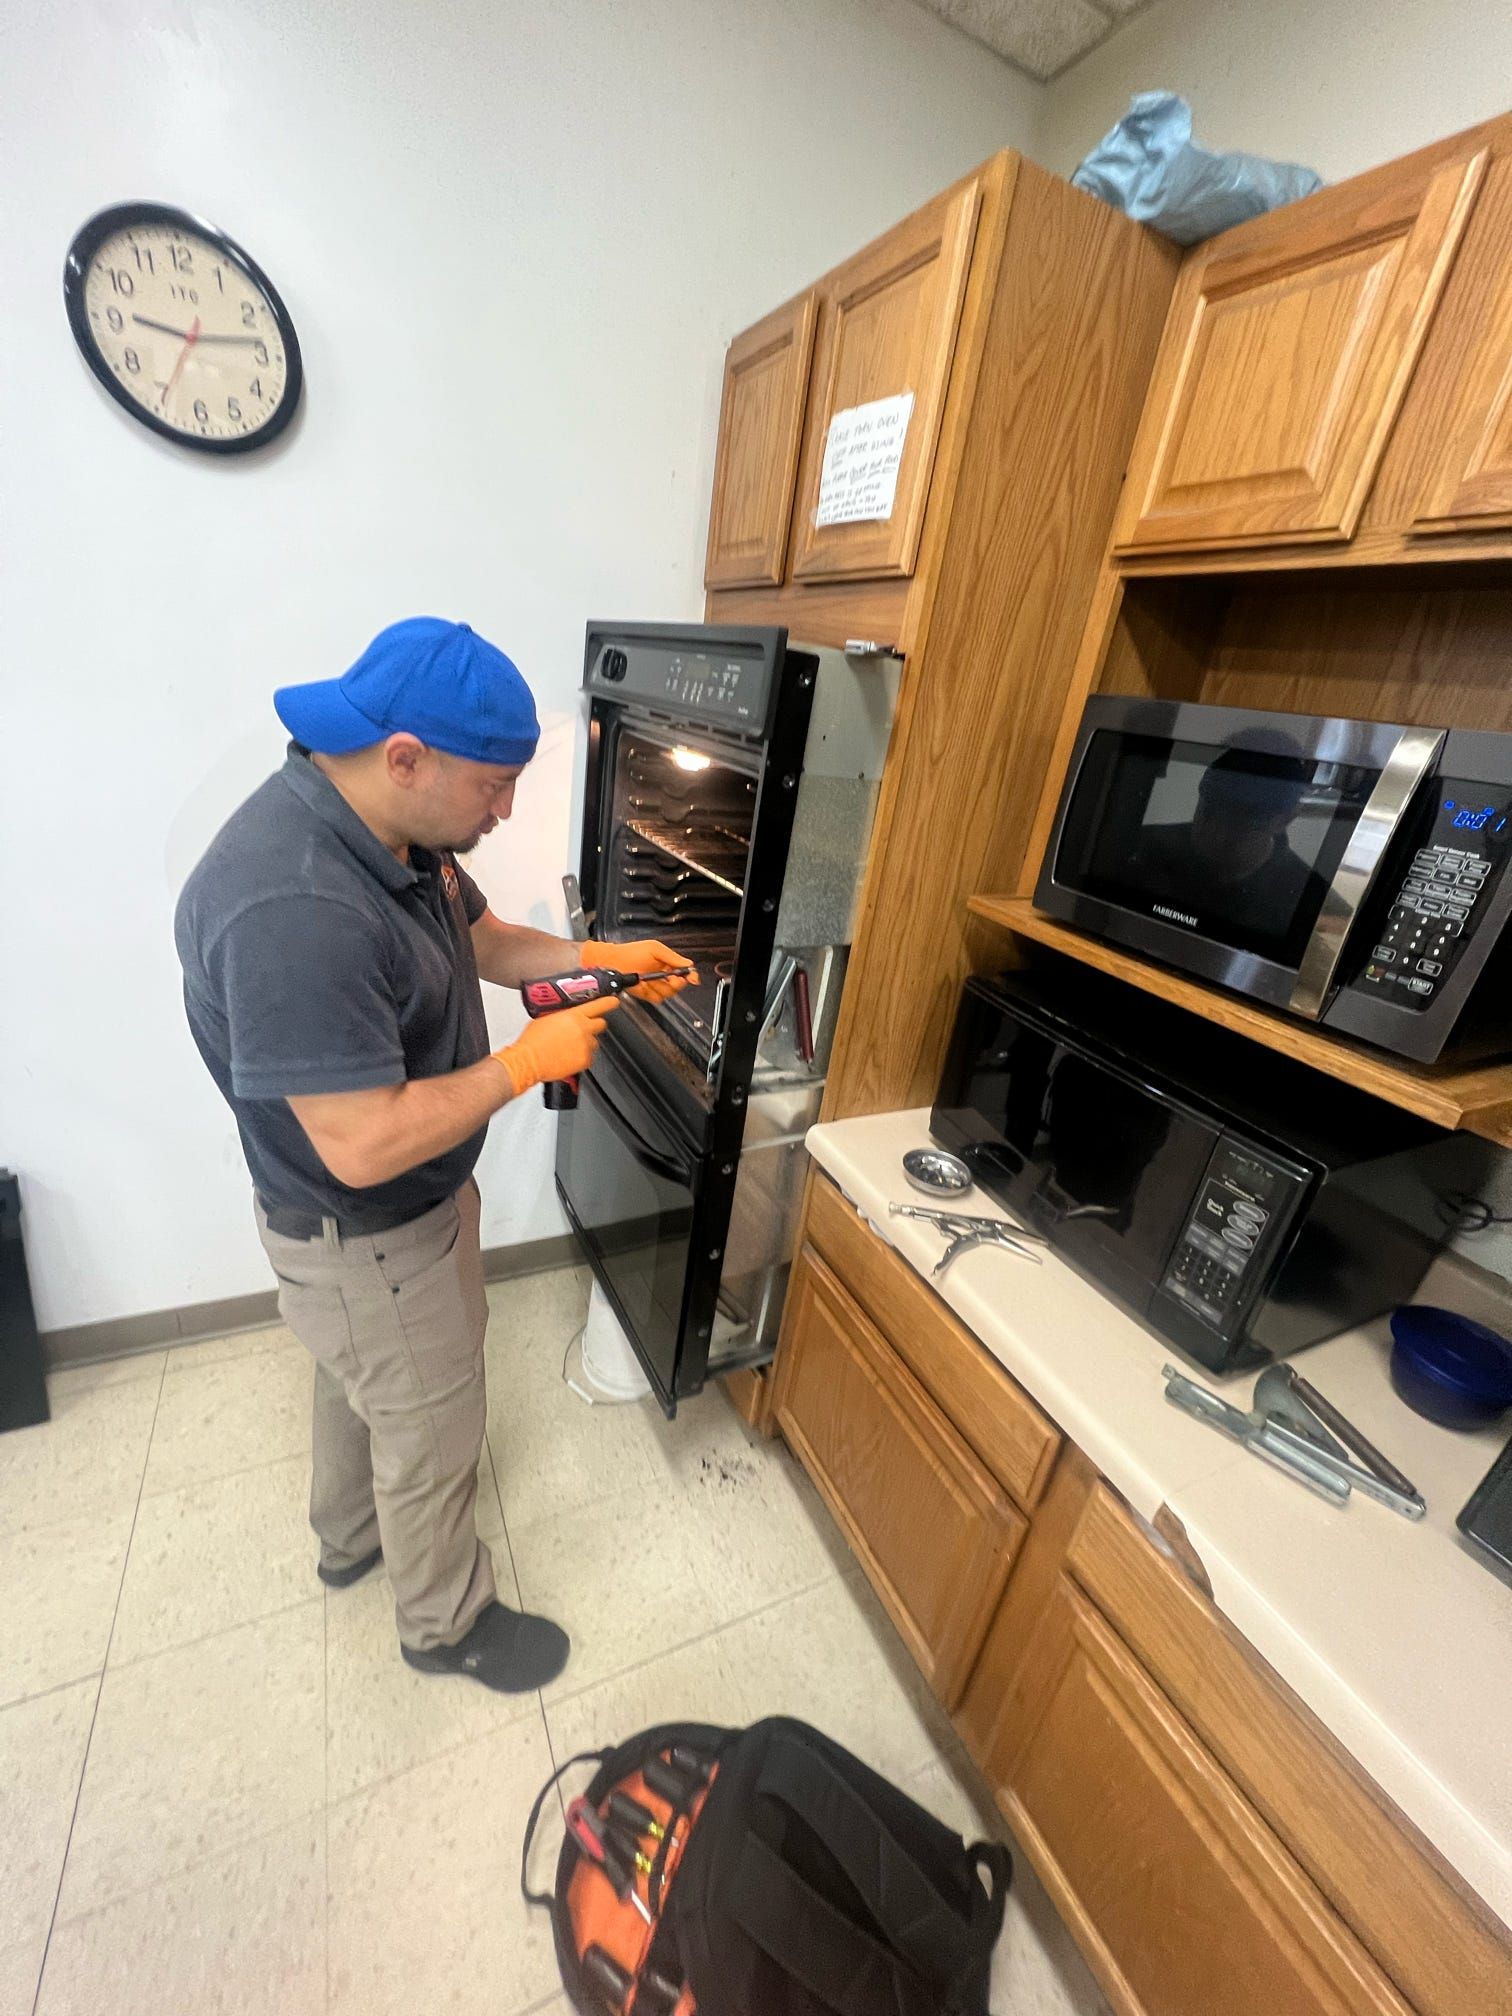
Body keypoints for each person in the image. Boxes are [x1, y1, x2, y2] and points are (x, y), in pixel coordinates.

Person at [174, 617, 691, 1691]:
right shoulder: (298, 904)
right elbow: (361, 1144)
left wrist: (602, 960)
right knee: (432, 1421)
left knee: (359, 1381)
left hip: (365, 1239)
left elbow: (486, 940)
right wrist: (524, 1062)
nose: (505, 811)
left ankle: (349, 1540)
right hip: (366, 1231)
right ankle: (444, 1624)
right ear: (404, 755)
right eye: (493, 786)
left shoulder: (393, 836)